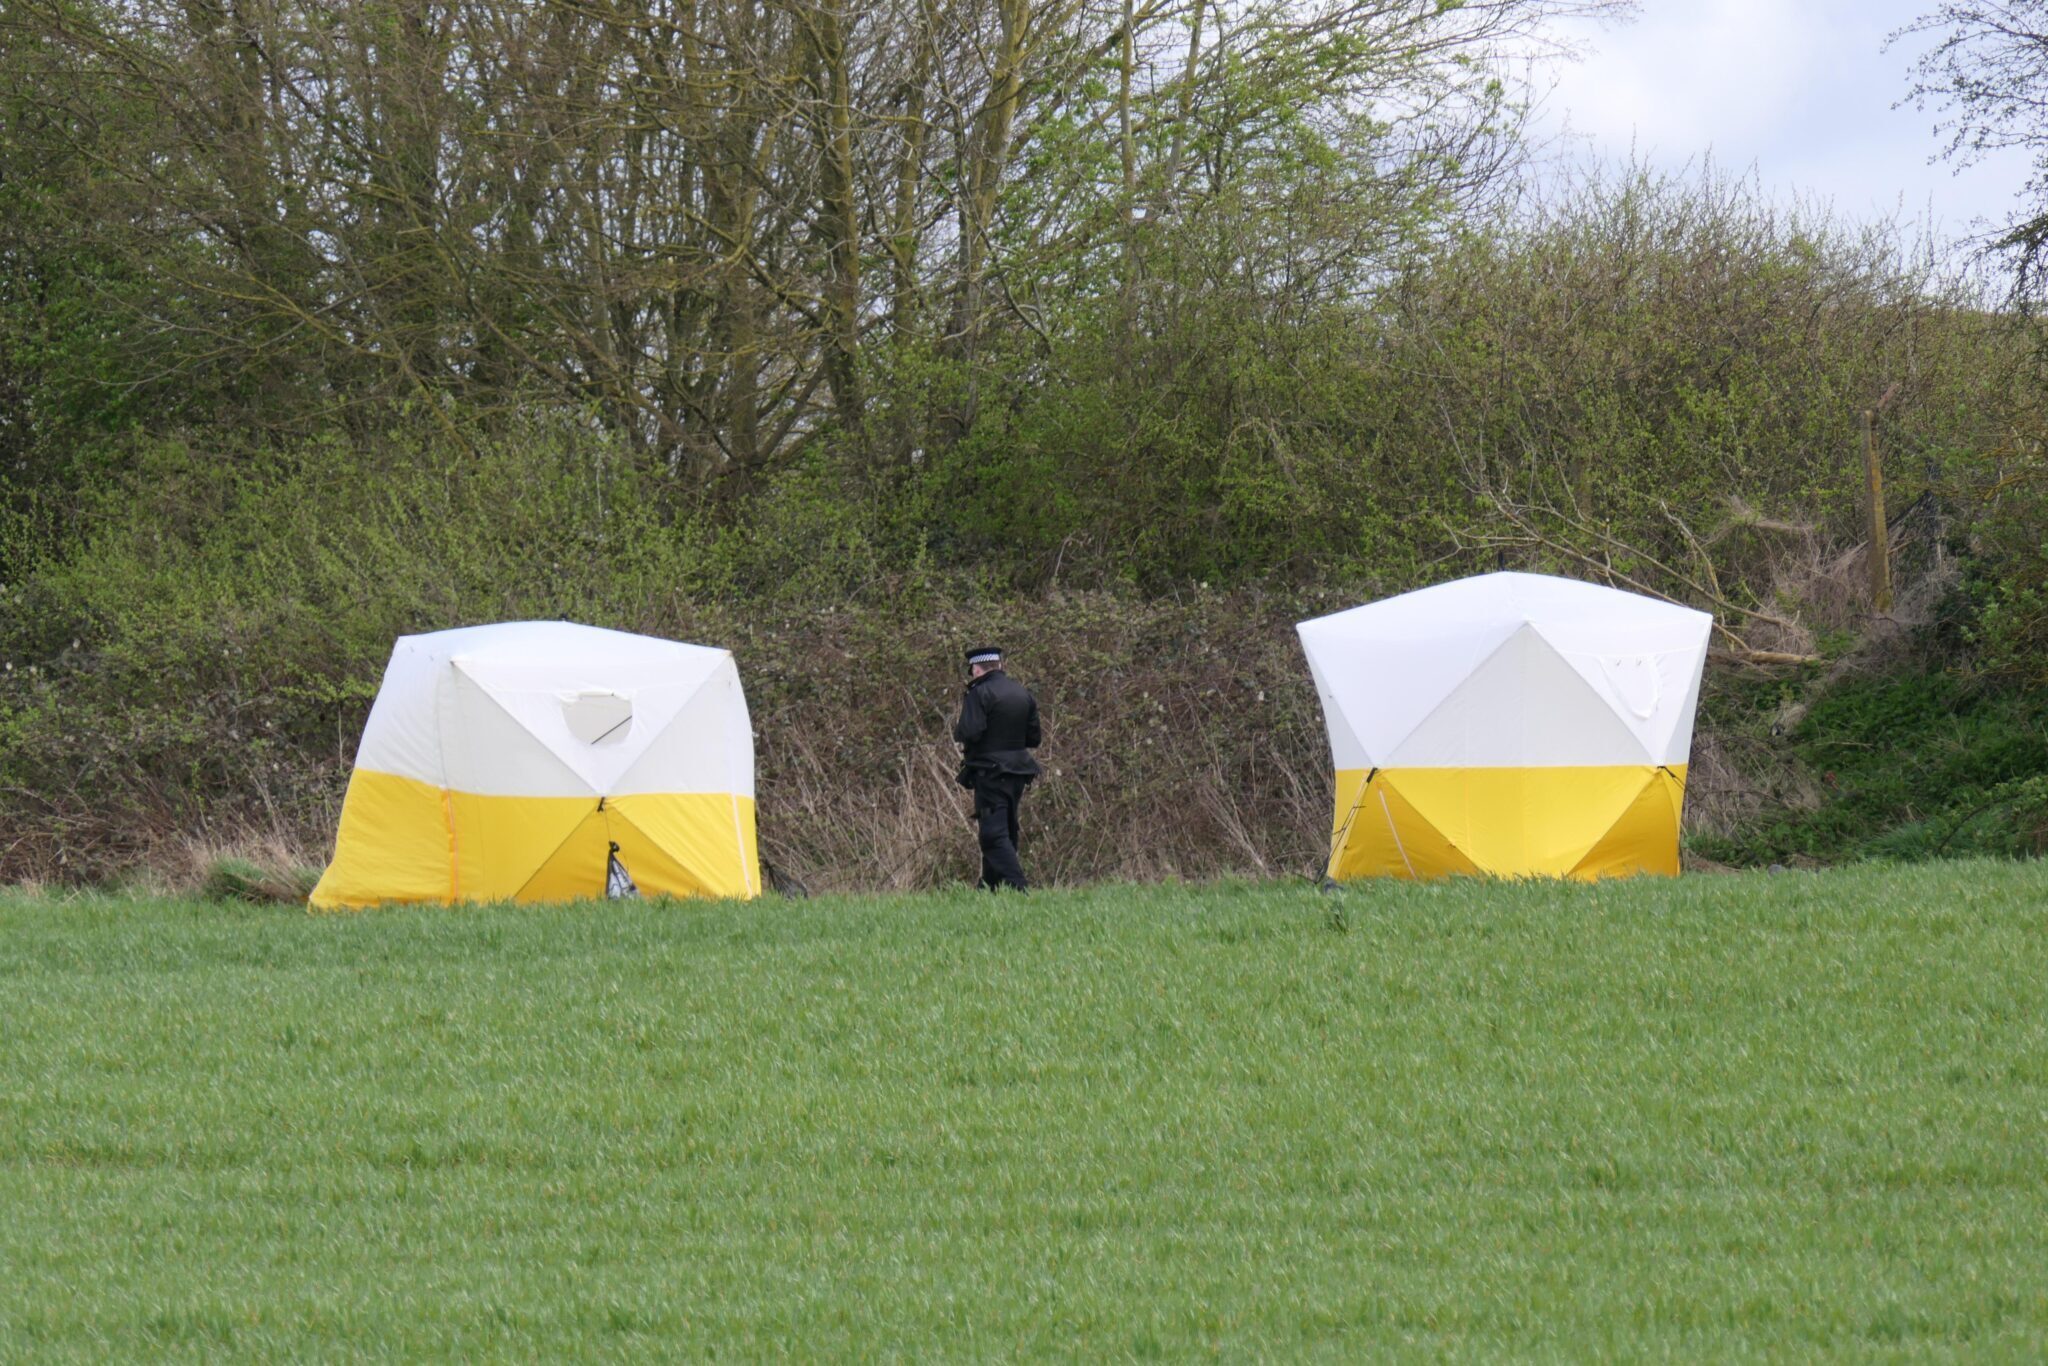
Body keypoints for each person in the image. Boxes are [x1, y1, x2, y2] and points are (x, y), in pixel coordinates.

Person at [953, 645, 1042, 891]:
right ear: (1000, 666)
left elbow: (969, 732)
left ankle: (1019, 888)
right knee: (1006, 827)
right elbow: (1034, 739)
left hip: (990, 772)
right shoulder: (1022, 693)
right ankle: (989, 887)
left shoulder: (979, 693)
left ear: (977, 668)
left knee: (993, 834)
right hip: (1019, 772)